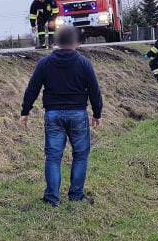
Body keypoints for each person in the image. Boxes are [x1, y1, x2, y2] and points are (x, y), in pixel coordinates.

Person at [20, 25, 102, 207]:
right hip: (78, 115)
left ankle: (51, 199)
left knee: (53, 157)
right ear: (76, 42)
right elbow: (95, 91)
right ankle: (76, 195)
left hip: (53, 115)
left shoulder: (45, 63)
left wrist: (25, 111)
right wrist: (97, 114)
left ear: (56, 42)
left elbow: (32, 88)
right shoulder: (84, 63)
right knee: (80, 155)